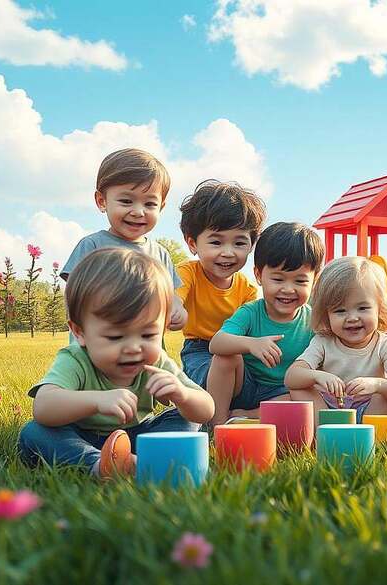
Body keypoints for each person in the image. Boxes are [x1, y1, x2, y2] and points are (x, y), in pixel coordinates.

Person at [17, 248, 214, 478]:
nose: (133, 347)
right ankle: (100, 465)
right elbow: (43, 407)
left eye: (148, 335)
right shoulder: (76, 359)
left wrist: (182, 395)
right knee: (35, 432)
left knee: (184, 418)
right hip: (82, 437)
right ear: (80, 332)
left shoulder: (156, 361)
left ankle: (142, 462)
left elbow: (207, 410)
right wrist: (96, 401)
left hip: (138, 436)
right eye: (115, 337)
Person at [207, 222, 324, 425]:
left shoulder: (315, 321)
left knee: (308, 397)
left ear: (315, 281)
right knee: (224, 357)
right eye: (278, 279)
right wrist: (252, 344)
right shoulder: (251, 312)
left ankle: (250, 416)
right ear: (259, 275)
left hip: (285, 392)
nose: (288, 289)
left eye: (300, 281)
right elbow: (216, 343)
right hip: (246, 386)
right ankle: (217, 424)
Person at [62, 148, 187, 331]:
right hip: (95, 350)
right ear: (101, 201)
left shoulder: (160, 254)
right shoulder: (93, 246)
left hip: (145, 352)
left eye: (150, 204)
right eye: (126, 201)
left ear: (161, 207)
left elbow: (171, 296)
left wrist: (177, 310)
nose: (138, 211)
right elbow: (74, 296)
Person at [285, 256, 387, 422]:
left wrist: (377, 385)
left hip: (370, 408)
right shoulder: (323, 342)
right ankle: (326, 430)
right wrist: (317, 376)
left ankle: (367, 434)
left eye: (363, 308)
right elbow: (291, 377)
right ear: (326, 314)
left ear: (380, 308)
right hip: (328, 408)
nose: (352, 318)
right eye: (340, 311)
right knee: (300, 389)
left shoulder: (386, 344)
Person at [176, 179, 267, 388]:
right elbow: (175, 297)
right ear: (193, 244)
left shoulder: (248, 289)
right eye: (216, 242)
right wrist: (174, 307)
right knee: (223, 362)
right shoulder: (188, 272)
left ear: (252, 245)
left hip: (237, 348)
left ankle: (243, 411)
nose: (227, 252)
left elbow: (250, 331)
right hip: (199, 350)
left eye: (239, 243)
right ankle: (215, 417)